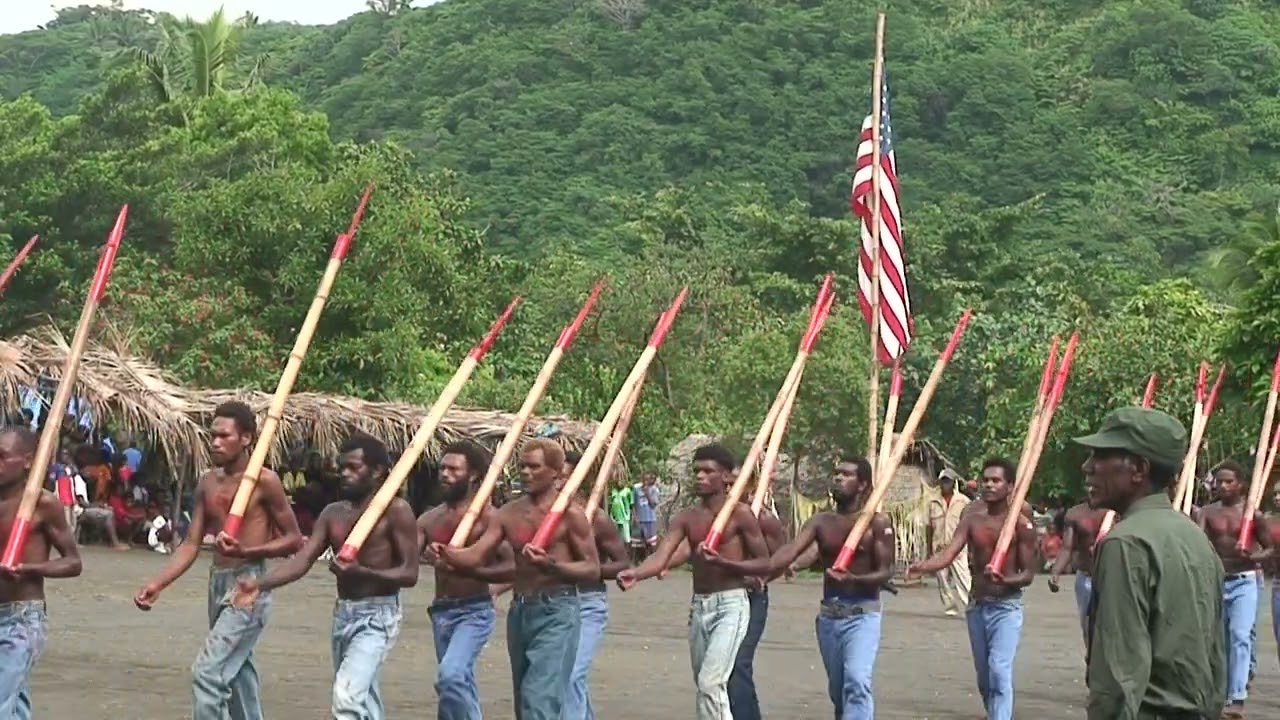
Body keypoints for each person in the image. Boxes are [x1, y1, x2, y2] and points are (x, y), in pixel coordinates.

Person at [133, 401, 303, 720]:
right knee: (238, 675)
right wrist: (158, 583)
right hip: (218, 582)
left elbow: (294, 539)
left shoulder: (265, 481)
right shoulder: (207, 482)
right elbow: (191, 543)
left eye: (224, 436)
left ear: (247, 438)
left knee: (209, 673)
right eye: (213, 436)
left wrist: (248, 552)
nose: (215, 442)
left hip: (248, 585)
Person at [231, 434, 418, 718]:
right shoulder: (333, 513)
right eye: (342, 466)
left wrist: (362, 572)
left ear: (377, 471)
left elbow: (409, 573)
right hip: (343, 613)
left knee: (347, 697)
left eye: (354, 467)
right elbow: (303, 560)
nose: (344, 473)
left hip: (378, 616)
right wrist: (260, 584)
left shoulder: (397, 512)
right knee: (363, 698)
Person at [432, 439, 599, 720]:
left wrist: (552, 565)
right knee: (525, 702)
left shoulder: (571, 516)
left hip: (557, 611)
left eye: (534, 467)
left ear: (556, 473)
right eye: (522, 466)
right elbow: (476, 554)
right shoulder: (509, 513)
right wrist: (449, 554)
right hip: (520, 611)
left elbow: (592, 569)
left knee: (539, 699)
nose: (525, 472)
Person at [1075, 407, 1225, 719]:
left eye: (1101, 456)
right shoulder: (1194, 537)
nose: (1087, 466)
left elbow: (1118, 674)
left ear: (1139, 469)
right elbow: (1215, 656)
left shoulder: (1124, 543)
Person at [616, 444, 770, 720]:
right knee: (704, 685)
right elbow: (662, 555)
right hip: (700, 607)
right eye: (696, 471)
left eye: (708, 471)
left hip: (731, 605)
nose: (700, 476)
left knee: (712, 683)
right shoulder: (687, 517)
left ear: (726, 477)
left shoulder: (740, 514)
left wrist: (725, 563)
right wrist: (636, 573)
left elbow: (763, 563)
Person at [907, 458, 1036, 720]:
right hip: (977, 606)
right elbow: (949, 554)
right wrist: (923, 566)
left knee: (999, 669)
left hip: (1006, 607)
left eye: (996, 480)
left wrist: (1005, 580)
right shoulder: (972, 520)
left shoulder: (1022, 525)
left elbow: (1028, 575)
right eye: (986, 479)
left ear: (1010, 486)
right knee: (985, 677)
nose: (989, 485)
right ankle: (995, 713)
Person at [765, 455, 893, 719]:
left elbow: (886, 572)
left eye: (846, 475)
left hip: (863, 615)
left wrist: (854, 580)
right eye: (836, 473)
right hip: (829, 617)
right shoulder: (820, 522)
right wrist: (763, 572)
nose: (838, 478)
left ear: (862, 485)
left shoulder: (877, 523)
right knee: (839, 691)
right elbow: (792, 550)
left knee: (857, 681)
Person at [417, 440, 514, 720]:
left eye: (453, 469)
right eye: (442, 468)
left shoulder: (489, 520)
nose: (444, 474)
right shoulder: (429, 519)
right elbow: (407, 558)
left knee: (451, 676)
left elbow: (512, 568)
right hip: (440, 612)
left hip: (474, 610)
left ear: (473, 476)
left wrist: (468, 568)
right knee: (457, 685)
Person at [0, 426, 82, 718]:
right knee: (13, 700)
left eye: (2, 457)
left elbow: (73, 563)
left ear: (26, 461)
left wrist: (29, 569)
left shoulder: (43, 504)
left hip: (21, 618)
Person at [1197, 459, 1271, 719]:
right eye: (1219, 482)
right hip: (1216, 580)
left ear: (1241, 484)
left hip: (1245, 580)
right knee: (1220, 639)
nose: (1223, 486)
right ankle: (1223, 688)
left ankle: (1237, 697)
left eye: (1229, 481)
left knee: (1240, 635)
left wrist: (1254, 556)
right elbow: (1198, 543)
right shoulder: (1206, 512)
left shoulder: (1252, 515)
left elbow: (1270, 548)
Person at [560, 451, 630, 720]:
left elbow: (621, 562)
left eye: (565, 477)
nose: (558, 483)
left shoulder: (596, 518)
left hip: (588, 603)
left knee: (572, 675)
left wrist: (589, 570)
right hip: (556, 603)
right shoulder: (546, 517)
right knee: (565, 677)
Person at [1047, 498, 1109, 643]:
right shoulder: (1075, 514)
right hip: (1086, 578)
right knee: (1088, 627)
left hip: (1112, 577)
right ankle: (1091, 661)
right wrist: (1056, 572)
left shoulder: (1117, 511)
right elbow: (1067, 547)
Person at [926, 468, 971, 616]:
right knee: (943, 580)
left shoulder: (963, 502)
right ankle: (950, 607)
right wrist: (928, 552)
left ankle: (970, 605)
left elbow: (970, 525)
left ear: (953, 483)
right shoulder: (932, 502)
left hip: (958, 547)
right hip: (939, 547)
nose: (945, 485)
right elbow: (929, 528)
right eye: (943, 481)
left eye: (948, 482)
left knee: (963, 579)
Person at [633, 471, 660, 558]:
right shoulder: (636, 488)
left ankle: (652, 559)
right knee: (637, 542)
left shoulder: (654, 490)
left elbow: (653, 504)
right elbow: (634, 504)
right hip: (639, 519)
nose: (646, 481)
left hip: (650, 519)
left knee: (651, 542)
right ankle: (637, 561)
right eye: (644, 479)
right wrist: (635, 516)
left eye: (648, 480)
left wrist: (647, 493)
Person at [607, 476, 633, 552]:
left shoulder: (627, 491)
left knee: (626, 537)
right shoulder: (613, 491)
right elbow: (611, 503)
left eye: (621, 481)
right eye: (618, 481)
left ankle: (628, 554)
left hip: (624, 517)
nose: (619, 483)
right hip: (615, 517)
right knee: (616, 536)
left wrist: (631, 515)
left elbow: (631, 504)